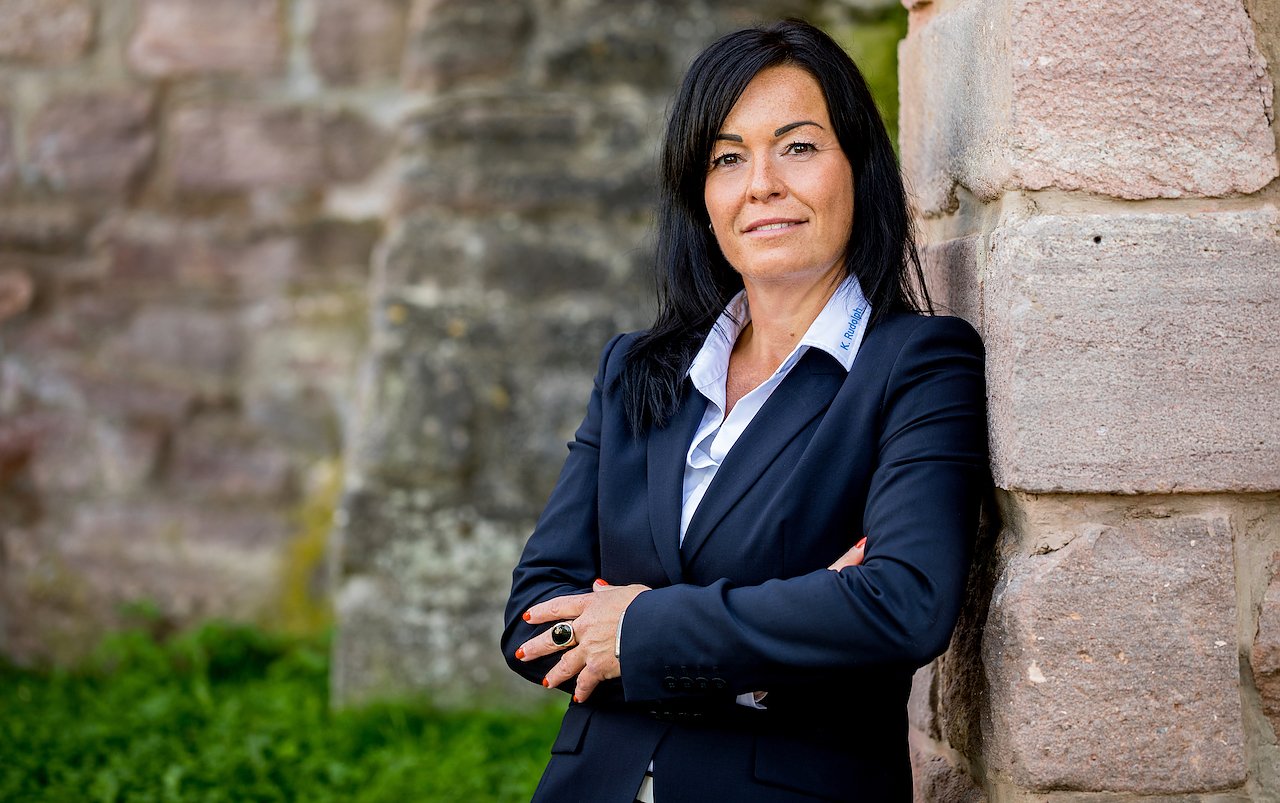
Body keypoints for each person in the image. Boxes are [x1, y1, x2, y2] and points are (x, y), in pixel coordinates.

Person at [502, 18, 986, 802]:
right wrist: (789, 635)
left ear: (859, 167)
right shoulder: (636, 371)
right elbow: (532, 619)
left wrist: (638, 630)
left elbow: (902, 603)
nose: (761, 183)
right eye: (727, 158)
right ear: (701, 196)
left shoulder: (917, 364)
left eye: (797, 146)